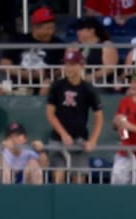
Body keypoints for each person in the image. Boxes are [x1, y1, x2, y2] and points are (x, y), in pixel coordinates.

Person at [46, 48, 104, 184]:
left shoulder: (89, 89)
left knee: (79, 180)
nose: (68, 68)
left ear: (81, 66)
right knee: (57, 179)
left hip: (79, 139)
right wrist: (63, 134)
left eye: (72, 64)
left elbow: (99, 117)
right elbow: (50, 114)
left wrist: (93, 141)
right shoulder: (57, 86)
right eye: (66, 64)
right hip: (58, 138)